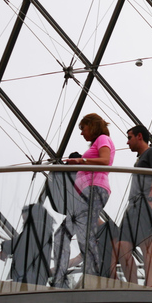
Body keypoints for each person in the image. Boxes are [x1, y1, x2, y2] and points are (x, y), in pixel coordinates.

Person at [52, 113, 115, 286]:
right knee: (66, 235)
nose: (81, 133)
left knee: (77, 235)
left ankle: (90, 276)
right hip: (88, 194)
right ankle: (66, 275)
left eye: (83, 128)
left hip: (94, 190)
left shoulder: (103, 138)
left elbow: (105, 160)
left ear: (92, 125)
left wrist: (81, 160)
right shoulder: (98, 142)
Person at [118, 125, 152, 286]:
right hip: (134, 206)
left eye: (129, 137)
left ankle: (150, 285)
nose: (127, 142)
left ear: (139, 136)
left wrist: (151, 199)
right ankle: (133, 285)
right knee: (122, 246)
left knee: (147, 245)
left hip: (145, 203)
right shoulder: (141, 158)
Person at [0, 204, 54, 286]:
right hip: (38, 279)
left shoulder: (35, 229)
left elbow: (19, 242)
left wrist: (5, 248)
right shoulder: (46, 232)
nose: (23, 222)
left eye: (25, 219)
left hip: (26, 277)